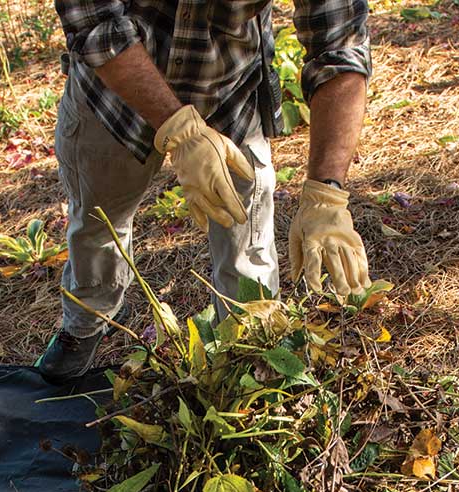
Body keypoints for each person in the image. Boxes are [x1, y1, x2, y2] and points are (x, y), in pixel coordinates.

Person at [39, 0, 373, 382]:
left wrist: (325, 190)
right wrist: (178, 127)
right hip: (114, 96)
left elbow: (339, 46)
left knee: (247, 247)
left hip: (228, 91)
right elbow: (94, 18)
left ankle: (249, 357)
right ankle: (88, 320)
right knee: (98, 224)